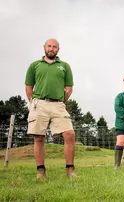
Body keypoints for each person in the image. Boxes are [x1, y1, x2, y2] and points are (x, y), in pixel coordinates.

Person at [25, 38, 77, 179]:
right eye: (49, 46)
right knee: (39, 137)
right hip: (39, 103)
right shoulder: (35, 65)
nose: (51, 49)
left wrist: (61, 101)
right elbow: (29, 87)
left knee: (69, 134)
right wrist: (33, 102)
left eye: (54, 47)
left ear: (58, 50)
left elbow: (69, 88)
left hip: (58, 104)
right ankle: (41, 172)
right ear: (44, 47)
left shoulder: (64, 66)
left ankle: (70, 170)